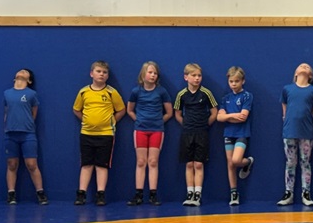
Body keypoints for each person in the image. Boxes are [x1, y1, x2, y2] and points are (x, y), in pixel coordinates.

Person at [72, 60, 126, 206]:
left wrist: (111, 122)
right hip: (86, 133)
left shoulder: (111, 92)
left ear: (107, 76)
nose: (101, 74)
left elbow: (121, 110)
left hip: (106, 134)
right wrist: (86, 121)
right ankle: (81, 194)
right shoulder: (84, 92)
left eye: (104, 72)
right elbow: (76, 109)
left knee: (102, 165)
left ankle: (100, 194)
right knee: (86, 164)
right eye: (98, 71)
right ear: (92, 74)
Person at [126, 61, 173, 206]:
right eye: (150, 72)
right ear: (143, 74)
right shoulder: (136, 91)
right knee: (141, 162)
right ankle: (138, 194)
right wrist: (138, 120)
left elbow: (169, 112)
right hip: (140, 130)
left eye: (155, 73)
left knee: (153, 161)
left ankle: (153, 194)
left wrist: (158, 122)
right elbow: (130, 110)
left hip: (157, 131)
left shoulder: (161, 91)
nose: (153, 75)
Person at [173, 63, 218, 207]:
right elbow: (177, 114)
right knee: (189, 163)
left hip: (202, 132)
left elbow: (214, 112)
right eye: (194, 75)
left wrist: (205, 124)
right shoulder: (181, 95)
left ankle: (198, 194)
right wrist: (186, 125)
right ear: (186, 77)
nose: (197, 78)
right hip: (187, 133)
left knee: (198, 164)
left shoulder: (206, 93)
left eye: (199, 75)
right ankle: (190, 193)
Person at [276, 63, 313, 207]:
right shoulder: (287, 89)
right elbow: (284, 108)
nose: (304, 67)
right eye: (301, 66)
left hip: (306, 131)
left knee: (305, 162)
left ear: (311, 75)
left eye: (307, 67)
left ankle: (306, 193)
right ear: (295, 73)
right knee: (290, 162)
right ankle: (288, 193)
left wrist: (306, 120)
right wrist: (287, 121)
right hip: (289, 131)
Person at [3, 68, 47, 205]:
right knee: (11, 164)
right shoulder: (7, 93)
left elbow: (34, 113)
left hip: (28, 134)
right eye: (20, 70)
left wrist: (26, 125)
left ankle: (40, 192)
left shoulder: (31, 94)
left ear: (29, 80)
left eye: (25, 72)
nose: (22, 71)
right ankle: (11, 194)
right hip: (11, 134)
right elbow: (6, 112)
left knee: (32, 164)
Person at [217, 66, 255, 206]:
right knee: (230, 164)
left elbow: (243, 117)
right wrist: (232, 116)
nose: (233, 84)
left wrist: (227, 117)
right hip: (228, 133)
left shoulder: (247, 96)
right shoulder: (226, 98)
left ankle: (248, 162)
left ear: (242, 81)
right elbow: (219, 118)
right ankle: (234, 192)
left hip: (241, 133)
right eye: (231, 81)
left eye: (236, 81)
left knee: (236, 160)